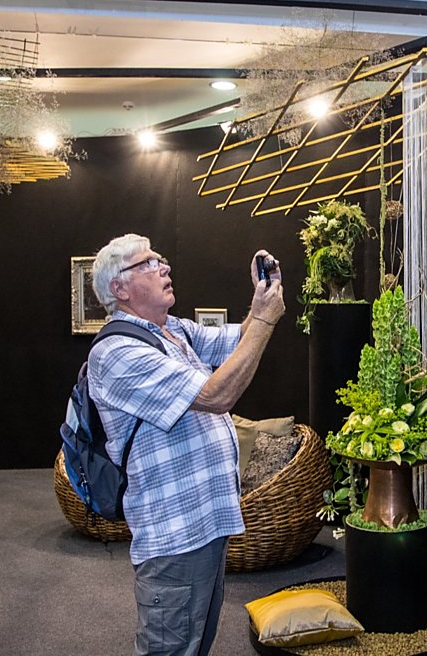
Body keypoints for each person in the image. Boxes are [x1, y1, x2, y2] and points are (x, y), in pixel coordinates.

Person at [87, 233, 284, 656]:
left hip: (204, 525)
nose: (164, 267)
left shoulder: (172, 330)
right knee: (170, 647)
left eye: (159, 259)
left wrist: (261, 301)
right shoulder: (117, 352)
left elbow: (238, 341)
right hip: (174, 536)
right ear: (119, 288)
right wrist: (266, 321)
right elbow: (217, 395)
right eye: (147, 264)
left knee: (194, 643)